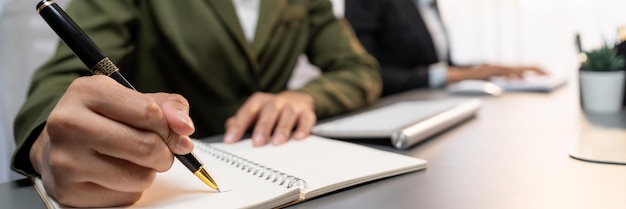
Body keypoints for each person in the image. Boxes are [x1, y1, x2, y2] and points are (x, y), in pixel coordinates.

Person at [11, 0, 381, 207]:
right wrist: (46, 144)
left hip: (277, 160)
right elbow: (58, 85)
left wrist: (305, 96)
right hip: (159, 170)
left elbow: (360, 68)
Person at [344, 0, 546, 96]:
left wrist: (492, 70)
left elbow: (443, 66)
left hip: (436, 101)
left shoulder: (428, 5)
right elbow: (368, 75)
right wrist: (454, 75)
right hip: (394, 107)